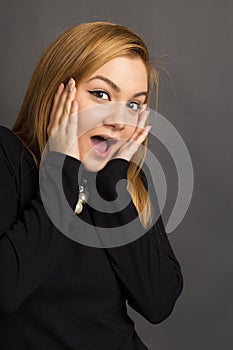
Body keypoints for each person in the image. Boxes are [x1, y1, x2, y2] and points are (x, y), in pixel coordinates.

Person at [0, 21, 183, 349]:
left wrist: (111, 180)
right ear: (57, 91)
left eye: (133, 104)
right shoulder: (7, 156)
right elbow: (6, 290)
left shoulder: (124, 180)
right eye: (101, 94)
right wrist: (63, 171)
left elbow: (159, 300)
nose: (119, 119)